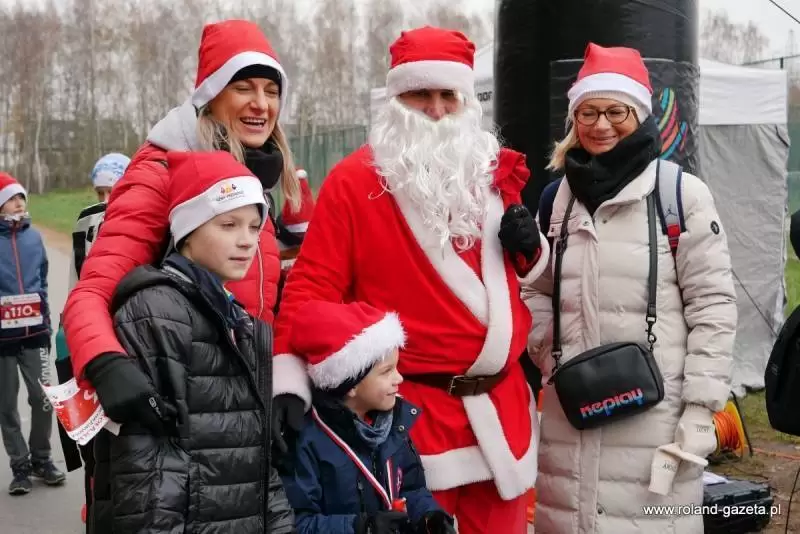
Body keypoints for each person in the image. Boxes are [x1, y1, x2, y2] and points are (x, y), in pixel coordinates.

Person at [271, 26, 548, 533]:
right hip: (411, 426)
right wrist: (290, 385)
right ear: (396, 99)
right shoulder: (354, 182)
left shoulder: (489, 170)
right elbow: (310, 289)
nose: (437, 110)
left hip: (503, 415)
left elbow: (516, 278)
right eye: (421, 94)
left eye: (449, 95)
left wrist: (532, 250)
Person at [523, 43, 737, 533]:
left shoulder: (680, 195)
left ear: (638, 115)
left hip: (656, 421)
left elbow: (713, 306)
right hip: (571, 416)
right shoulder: (555, 201)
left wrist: (701, 407)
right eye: (589, 112)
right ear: (574, 119)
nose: (601, 125)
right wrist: (550, 350)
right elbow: (538, 292)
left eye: (615, 111)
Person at [62, 19, 300, 402]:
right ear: (211, 96)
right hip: (180, 409)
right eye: (243, 88)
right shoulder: (162, 173)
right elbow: (93, 292)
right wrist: (106, 365)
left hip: (244, 405)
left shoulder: (255, 178)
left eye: (272, 91)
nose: (261, 103)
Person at [87, 150, 294, 533]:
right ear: (187, 229)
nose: (246, 241)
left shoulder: (239, 320)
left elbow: (260, 465)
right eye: (228, 225)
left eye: (254, 227)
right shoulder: (156, 314)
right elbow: (145, 475)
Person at [281, 300, 456, 534]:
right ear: (351, 384)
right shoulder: (307, 440)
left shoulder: (394, 424)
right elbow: (297, 524)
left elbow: (411, 489)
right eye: (387, 371)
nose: (399, 378)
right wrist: (362, 528)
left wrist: (429, 516)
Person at [56, 151, 130, 524]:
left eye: (113, 191)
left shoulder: (147, 218)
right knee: (91, 441)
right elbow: (75, 286)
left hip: (127, 345)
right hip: (86, 342)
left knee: (126, 443)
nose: (105, 200)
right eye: (100, 192)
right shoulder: (86, 220)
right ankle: (93, 500)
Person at [0, 172, 66, 495]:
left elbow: (42, 280)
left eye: (21, 197)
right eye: (11, 198)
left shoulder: (34, 238)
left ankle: (42, 459)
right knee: (6, 405)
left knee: (43, 399)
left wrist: (46, 322)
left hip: (35, 333)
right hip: (2, 341)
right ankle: (20, 466)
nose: (18, 203)